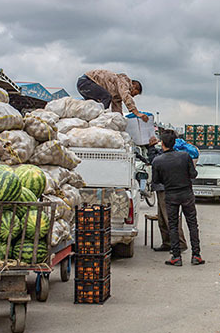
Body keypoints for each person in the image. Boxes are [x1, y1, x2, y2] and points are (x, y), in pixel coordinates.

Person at [152, 130, 203, 266]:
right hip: (187, 193)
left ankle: (176, 256)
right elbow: (193, 175)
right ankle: (196, 255)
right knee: (192, 224)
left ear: (162, 144)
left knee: (173, 225)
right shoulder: (185, 156)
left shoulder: (157, 161)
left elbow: (156, 180)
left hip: (171, 195)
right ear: (175, 143)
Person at [146, 136, 187, 253]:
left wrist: (151, 148)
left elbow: (154, 162)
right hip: (162, 189)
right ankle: (168, 242)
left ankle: (179, 244)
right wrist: (151, 148)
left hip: (166, 189)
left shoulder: (169, 156)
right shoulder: (163, 153)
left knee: (170, 217)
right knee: (162, 218)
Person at [76, 69, 149, 122]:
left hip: (84, 86)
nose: (133, 96)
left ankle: (90, 120)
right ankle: (101, 120)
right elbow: (126, 96)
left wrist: (120, 121)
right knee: (106, 97)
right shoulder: (124, 81)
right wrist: (137, 113)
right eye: (134, 93)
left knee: (96, 106)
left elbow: (117, 110)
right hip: (86, 82)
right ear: (133, 86)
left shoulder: (116, 93)